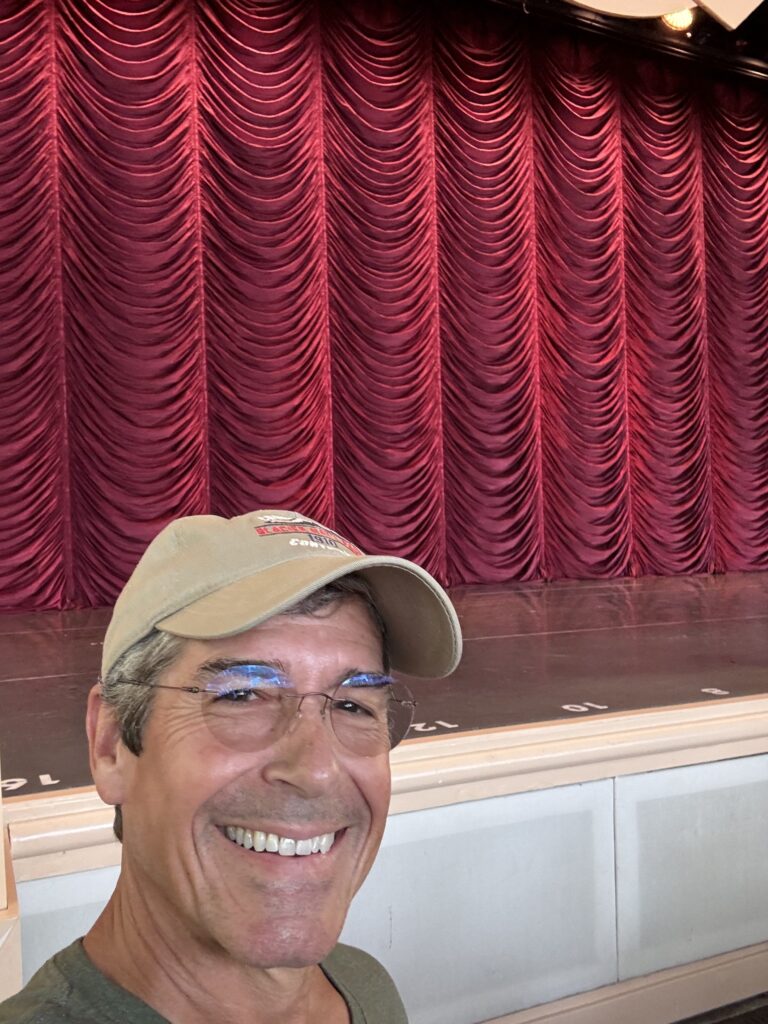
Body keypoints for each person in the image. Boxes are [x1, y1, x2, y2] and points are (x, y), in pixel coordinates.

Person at [1, 509, 462, 1024]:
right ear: (111, 745)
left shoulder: (365, 989)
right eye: (243, 695)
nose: (316, 771)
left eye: (353, 705)